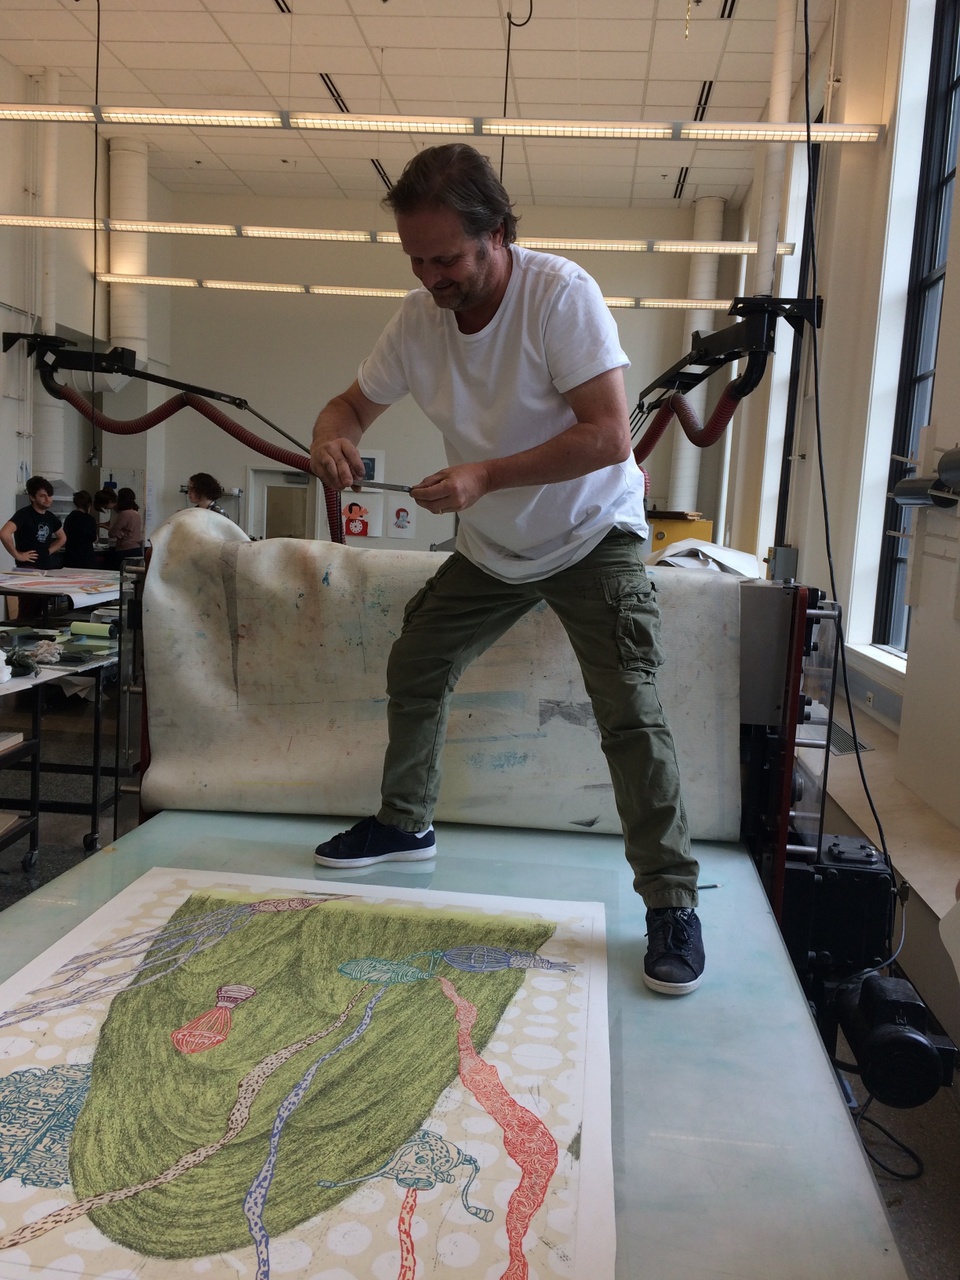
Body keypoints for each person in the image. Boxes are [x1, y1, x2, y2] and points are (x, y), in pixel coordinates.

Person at [309, 143, 704, 996]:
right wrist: (332, 435)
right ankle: (405, 824)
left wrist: (484, 475)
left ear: (498, 235)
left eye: (446, 258)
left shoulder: (561, 296)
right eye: (416, 260)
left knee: (629, 709)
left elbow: (608, 436)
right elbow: (350, 403)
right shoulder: (418, 320)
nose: (431, 278)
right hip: (492, 548)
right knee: (418, 661)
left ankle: (671, 900)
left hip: (592, 531)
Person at [1, 476, 66, 569]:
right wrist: (18, 555)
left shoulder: (50, 516)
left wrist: (48, 551)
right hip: (27, 568)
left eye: (49, 495)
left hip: (45, 566)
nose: (47, 499)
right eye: (42, 496)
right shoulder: (24, 514)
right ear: (32, 497)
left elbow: (62, 538)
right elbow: (4, 533)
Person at [62, 490, 99, 569]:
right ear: (89, 504)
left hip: (70, 556)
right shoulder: (89, 519)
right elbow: (93, 538)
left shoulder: (69, 517)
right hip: (86, 557)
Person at [109, 488, 143, 568]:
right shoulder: (136, 514)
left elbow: (112, 533)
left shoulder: (124, 514)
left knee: (121, 576)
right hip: (136, 549)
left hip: (125, 550)